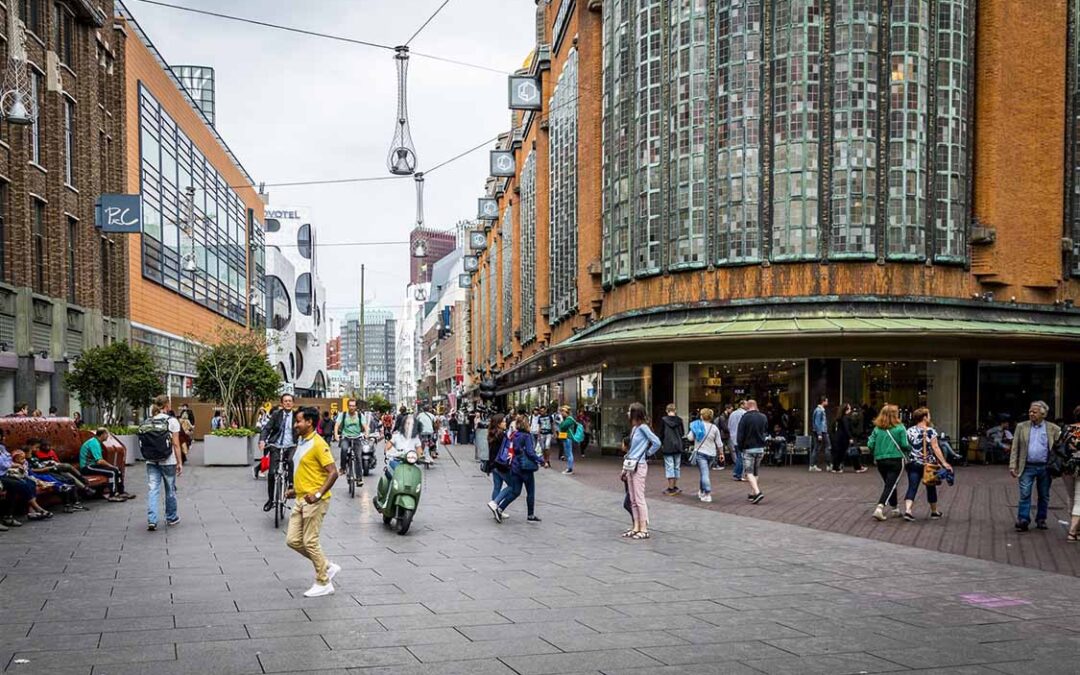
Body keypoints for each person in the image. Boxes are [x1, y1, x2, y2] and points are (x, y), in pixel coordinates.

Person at [285, 407, 340, 598]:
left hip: (315, 501)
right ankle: (325, 565)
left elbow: (333, 472)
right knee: (292, 540)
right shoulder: (302, 441)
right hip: (301, 498)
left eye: (299, 421)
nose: (295, 425)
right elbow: (305, 470)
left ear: (309, 422)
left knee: (310, 541)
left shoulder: (318, 443)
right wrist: (295, 490)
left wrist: (317, 494)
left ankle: (323, 581)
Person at [1010, 400, 1063, 532]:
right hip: (1026, 466)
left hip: (1045, 467)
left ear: (1043, 414)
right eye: (1030, 411)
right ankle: (1023, 519)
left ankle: (1041, 519)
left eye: (1035, 411)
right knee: (1025, 493)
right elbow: (1015, 447)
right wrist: (1012, 465)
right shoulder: (1021, 427)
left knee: (1044, 495)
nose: (1031, 413)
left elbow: (1059, 448)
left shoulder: (1053, 429)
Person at [902, 407, 952, 522]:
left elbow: (906, 447)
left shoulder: (909, 431)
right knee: (931, 486)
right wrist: (944, 463)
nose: (930, 417)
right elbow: (935, 447)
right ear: (924, 417)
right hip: (928, 464)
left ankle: (908, 510)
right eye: (928, 415)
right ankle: (934, 511)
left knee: (912, 486)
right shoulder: (931, 431)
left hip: (913, 463)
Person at [490, 415, 542, 523]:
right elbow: (530, 452)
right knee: (530, 491)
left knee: (515, 491)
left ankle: (500, 508)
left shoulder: (513, 435)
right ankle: (530, 514)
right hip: (525, 467)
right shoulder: (526, 436)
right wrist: (540, 460)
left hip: (514, 467)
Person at [143, 395, 183, 531]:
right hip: (168, 460)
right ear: (167, 405)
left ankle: (152, 520)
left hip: (151, 460)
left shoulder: (148, 421)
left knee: (153, 489)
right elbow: (176, 445)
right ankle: (171, 517)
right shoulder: (172, 421)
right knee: (170, 489)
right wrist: (179, 462)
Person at [622, 402, 660, 539]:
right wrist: (625, 468)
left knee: (639, 498)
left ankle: (644, 528)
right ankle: (636, 526)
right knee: (632, 498)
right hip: (631, 465)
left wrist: (647, 453)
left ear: (635, 414)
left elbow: (656, 442)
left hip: (640, 465)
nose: (627, 413)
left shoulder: (643, 428)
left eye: (629, 411)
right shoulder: (635, 429)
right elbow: (631, 449)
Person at [867, 404, 911, 521]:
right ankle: (879, 508)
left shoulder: (877, 429)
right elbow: (904, 444)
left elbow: (870, 444)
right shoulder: (900, 428)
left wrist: (876, 451)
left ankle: (895, 508)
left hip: (880, 460)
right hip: (896, 459)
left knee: (890, 483)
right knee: (890, 484)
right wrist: (910, 449)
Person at [259, 394, 297, 511]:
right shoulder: (276, 415)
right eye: (285, 401)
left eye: (290, 401)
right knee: (271, 473)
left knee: (291, 461)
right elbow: (267, 428)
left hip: (292, 445)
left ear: (293, 403)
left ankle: (291, 485)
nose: (288, 403)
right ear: (282, 403)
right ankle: (271, 499)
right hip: (276, 445)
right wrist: (262, 440)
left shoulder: (297, 416)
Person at [80, 428, 131, 502]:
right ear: (103, 434)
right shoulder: (94, 443)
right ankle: (112, 495)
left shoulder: (97, 442)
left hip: (93, 465)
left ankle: (121, 492)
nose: (108, 436)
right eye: (107, 434)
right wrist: (111, 466)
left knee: (118, 470)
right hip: (87, 467)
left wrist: (113, 467)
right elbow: (99, 461)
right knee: (112, 472)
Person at [738, 400, 769, 504]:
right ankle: (753, 494)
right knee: (755, 471)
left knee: (748, 472)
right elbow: (765, 431)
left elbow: (741, 434)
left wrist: (740, 446)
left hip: (749, 448)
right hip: (760, 448)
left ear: (748, 406)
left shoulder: (745, 417)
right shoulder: (763, 417)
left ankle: (757, 491)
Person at [1058, 404, 1080, 542]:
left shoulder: (1066, 429)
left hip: (1067, 467)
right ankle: (1072, 532)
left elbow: (1059, 446)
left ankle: (1077, 530)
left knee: (1071, 497)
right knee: (1079, 499)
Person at [692, 408, 723, 503]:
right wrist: (721, 453)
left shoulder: (697, 426)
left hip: (701, 452)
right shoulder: (714, 428)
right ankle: (701, 491)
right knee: (704, 472)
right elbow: (719, 443)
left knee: (704, 473)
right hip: (712, 454)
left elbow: (690, 437)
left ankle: (707, 493)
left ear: (701, 416)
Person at [333, 399, 366, 485]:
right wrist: (336, 435)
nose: (351, 407)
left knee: (358, 456)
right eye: (350, 405)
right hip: (346, 437)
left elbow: (365, 426)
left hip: (357, 438)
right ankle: (343, 468)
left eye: (353, 406)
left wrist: (366, 434)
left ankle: (359, 478)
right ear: (348, 406)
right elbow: (337, 425)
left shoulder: (360, 415)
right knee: (344, 449)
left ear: (356, 407)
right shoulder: (343, 415)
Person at [659, 403, 685, 496]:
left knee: (669, 466)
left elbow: (661, 434)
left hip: (668, 445)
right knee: (676, 466)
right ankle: (674, 486)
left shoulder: (663, 420)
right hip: (678, 445)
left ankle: (670, 488)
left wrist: (662, 443)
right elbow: (682, 433)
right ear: (675, 410)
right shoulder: (680, 420)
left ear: (667, 411)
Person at [832, 403, 864, 473]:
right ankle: (838, 467)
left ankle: (835, 467)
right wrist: (850, 437)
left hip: (838, 437)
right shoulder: (845, 418)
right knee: (843, 452)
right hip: (843, 438)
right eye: (849, 408)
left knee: (839, 453)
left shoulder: (839, 418)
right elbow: (847, 429)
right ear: (846, 410)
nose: (851, 410)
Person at [728, 400, 746, 482]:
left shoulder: (732, 414)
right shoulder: (744, 414)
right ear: (742, 405)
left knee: (739, 454)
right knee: (741, 456)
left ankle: (737, 472)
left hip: (733, 437)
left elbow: (729, 426)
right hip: (741, 437)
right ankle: (738, 473)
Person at [810, 395, 829, 472]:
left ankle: (813, 465)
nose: (827, 402)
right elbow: (817, 422)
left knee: (817, 448)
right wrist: (819, 434)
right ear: (823, 401)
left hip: (820, 431)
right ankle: (812, 465)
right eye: (826, 401)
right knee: (824, 446)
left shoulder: (819, 410)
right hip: (821, 431)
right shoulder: (819, 410)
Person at [558, 405, 577, 474]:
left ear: (567, 412)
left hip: (568, 437)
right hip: (565, 437)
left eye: (563, 411)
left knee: (569, 453)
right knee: (568, 453)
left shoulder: (569, 419)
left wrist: (561, 422)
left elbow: (562, 427)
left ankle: (570, 469)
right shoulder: (567, 419)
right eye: (561, 411)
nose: (562, 413)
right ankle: (569, 468)